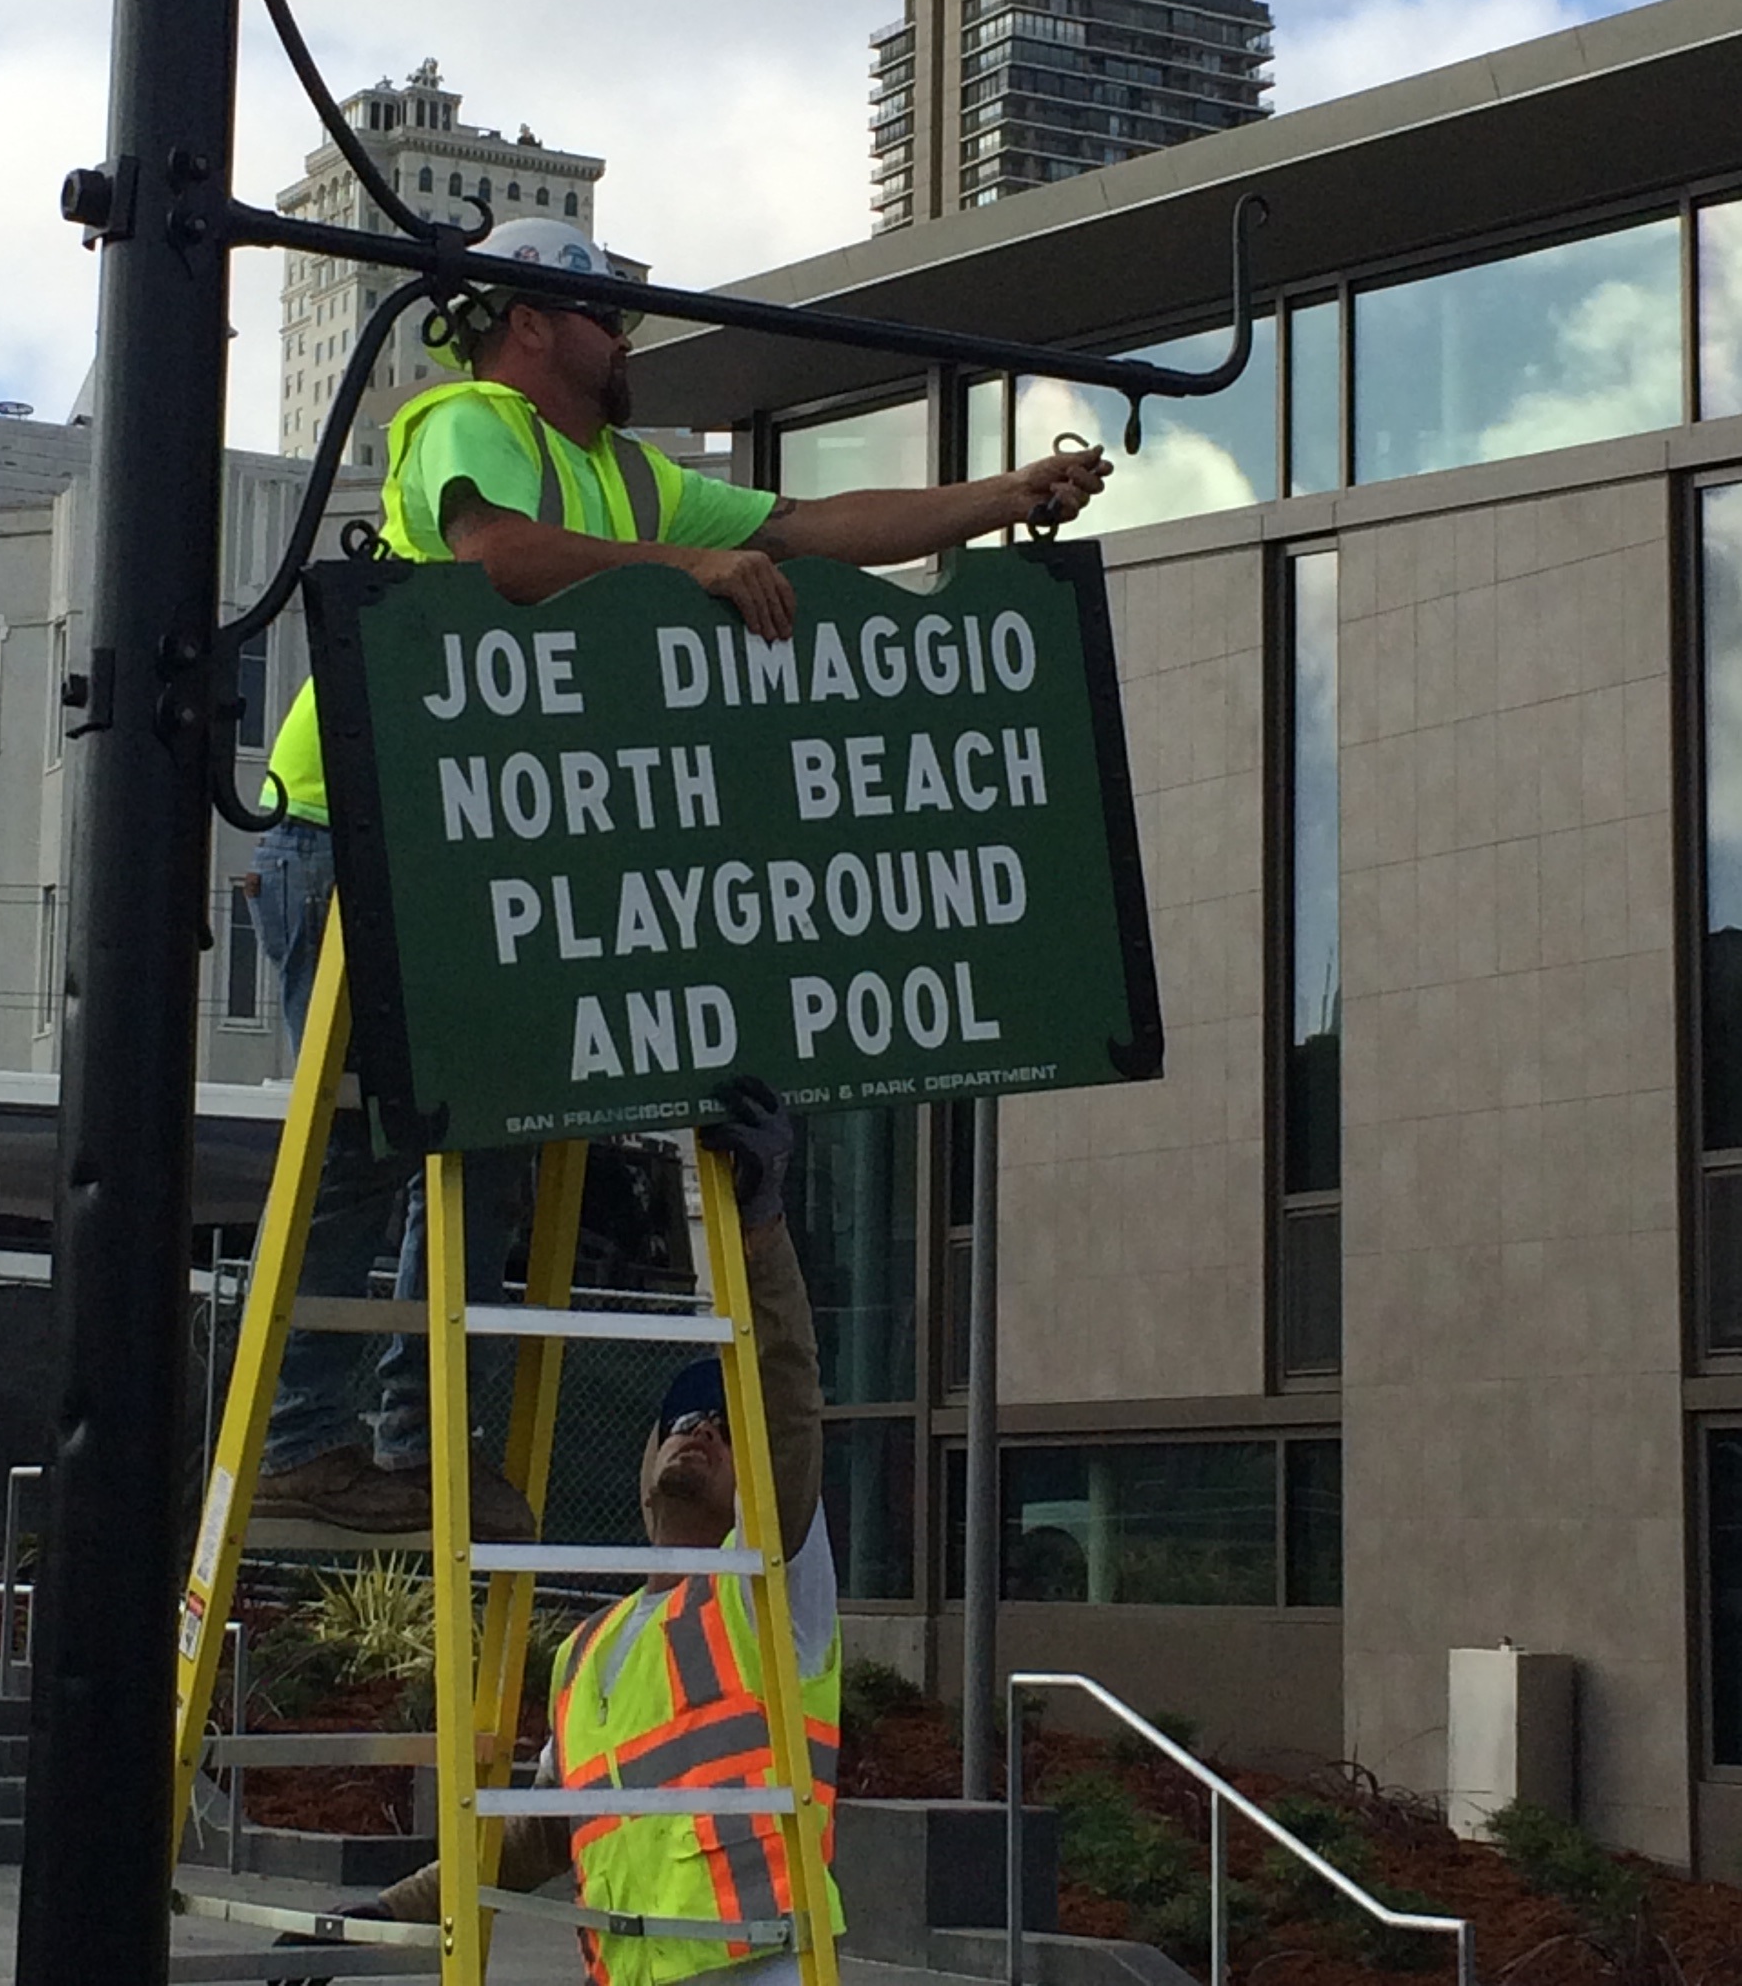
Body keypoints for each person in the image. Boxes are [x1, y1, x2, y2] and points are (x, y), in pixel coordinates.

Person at [250, 216, 1112, 1541]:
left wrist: (998, 502)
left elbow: (819, 527)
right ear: (528, 321)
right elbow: (498, 558)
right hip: (353, 826)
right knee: (381, 1161)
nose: (626, 338)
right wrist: (692, 570)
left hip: (463, 850)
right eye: (605, 313)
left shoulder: (632, 481)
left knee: (488, 1139)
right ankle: (309, 1448)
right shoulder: (471, 418)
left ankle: (415, 1452)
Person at [338, 1080, 845, 1986]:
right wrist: (378, 1917)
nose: (703, 1430)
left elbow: (789, 1397)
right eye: (686, 1418)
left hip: (761, 1967)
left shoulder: (771, 1583)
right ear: (642, 1467)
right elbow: (533, 1837)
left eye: (726, 1427)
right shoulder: (588, 1657)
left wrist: (760, 1231)